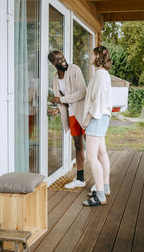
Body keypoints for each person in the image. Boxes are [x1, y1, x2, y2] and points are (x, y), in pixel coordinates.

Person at [48, 50, 86, 189]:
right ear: (53, 63)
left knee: (94, 147)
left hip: (84, 113)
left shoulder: (74, 69)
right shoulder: (55, 78)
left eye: (62, 57)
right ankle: (80, 179)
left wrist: (61, 99)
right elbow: (61, 100)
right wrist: (58, 109)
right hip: (71, 114)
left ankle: (101, 182)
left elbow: (82, 92)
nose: (62, 60)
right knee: (78, 146)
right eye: (58, 59)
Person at [82, 46, 112, 206]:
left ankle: (100, 195)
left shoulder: (100, 75)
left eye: (92, 54)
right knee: (101, 152)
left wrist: (87, 119)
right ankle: (105, 187)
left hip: (97, 117)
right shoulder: (102, 75)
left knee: (91, 156)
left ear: (99, 57)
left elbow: (98, 102)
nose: (89, 56)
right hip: (102, 117)